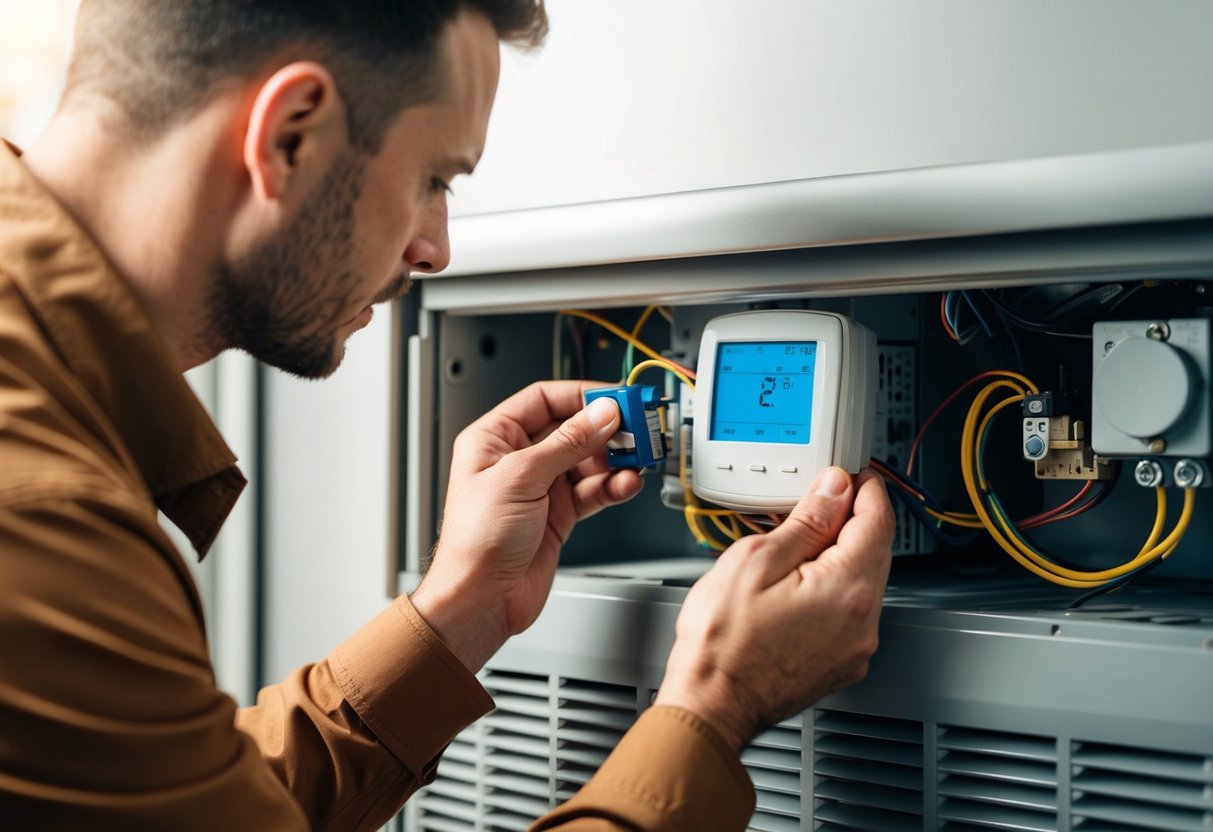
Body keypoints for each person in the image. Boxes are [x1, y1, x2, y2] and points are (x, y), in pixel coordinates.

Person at [0, 0, 895, 829]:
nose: (435, 249)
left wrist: (461, 609)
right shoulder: (43, 518)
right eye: (434, 177)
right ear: (289, 136)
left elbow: (186, 803)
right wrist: (713, 707)